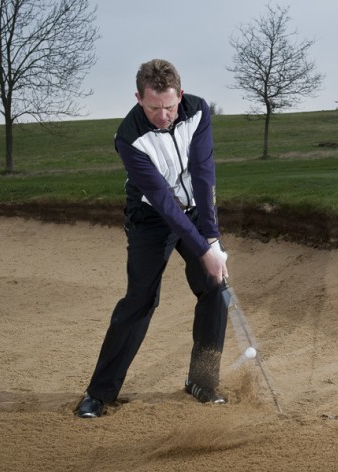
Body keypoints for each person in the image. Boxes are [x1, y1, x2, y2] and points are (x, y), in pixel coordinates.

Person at [76, 59, 230, 418]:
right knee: (141, 300)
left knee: (215, 288)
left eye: (170, 106)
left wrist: (211, 237)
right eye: (154, 108)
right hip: (150, 216)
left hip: (193, 210)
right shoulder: (128, 138)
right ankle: (100, 393)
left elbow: (204, 174)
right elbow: (162, 200)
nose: (164, 116)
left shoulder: (198, 110)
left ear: (180, 94)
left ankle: (202, 383)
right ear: (138, 99)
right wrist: (202, 250)